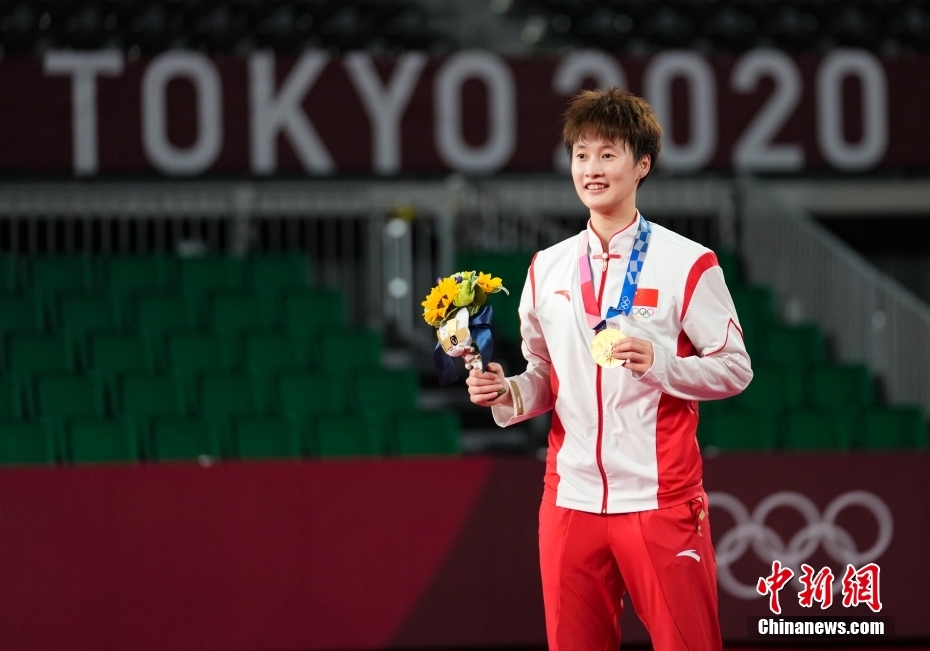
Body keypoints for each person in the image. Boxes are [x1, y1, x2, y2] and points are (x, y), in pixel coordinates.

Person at [466, 88, 752, 651]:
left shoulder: (687, 263)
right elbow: (544, 374)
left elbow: (735, 368)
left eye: (607, 154)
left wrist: (664, 365)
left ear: (642, 164)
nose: (591, 169)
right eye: (581, 155)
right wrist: (507, 392)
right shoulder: (546, 268)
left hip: (660, 500)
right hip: (570, 501)